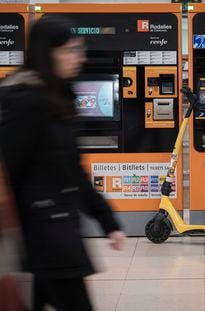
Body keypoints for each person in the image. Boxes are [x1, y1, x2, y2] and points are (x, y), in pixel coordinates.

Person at [0, 16, 125, 310]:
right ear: (48, 53)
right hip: (42, 233)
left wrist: (106, 219)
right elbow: (7, 167)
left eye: (79, 49)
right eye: (69, 50)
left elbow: (72, 169)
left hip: (55, 229)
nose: (78, 58)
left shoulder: (57, 96)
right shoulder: (28, 100)